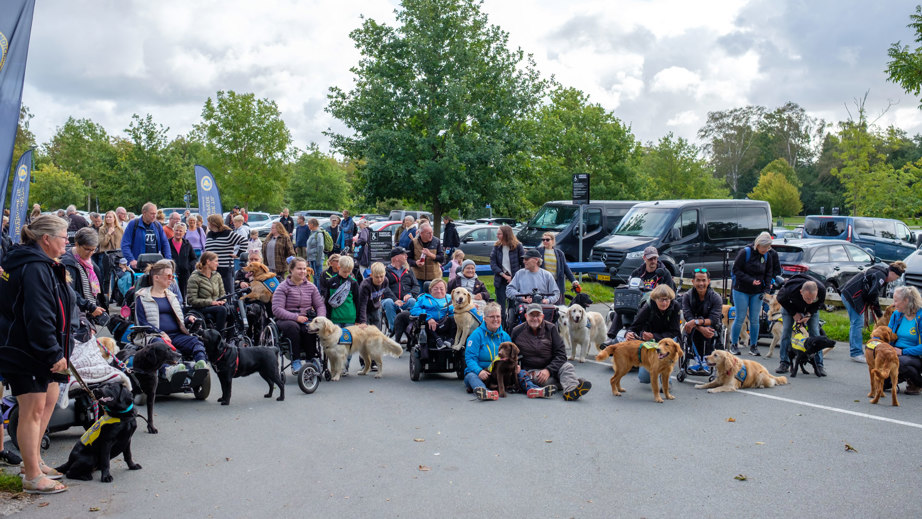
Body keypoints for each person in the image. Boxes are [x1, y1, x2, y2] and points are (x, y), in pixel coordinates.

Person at [0, 215, 73, 494]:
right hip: (26, 350)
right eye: (64, 237)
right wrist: (53, 352)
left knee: (49, 398)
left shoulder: (37, 263)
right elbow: (38, 315)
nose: (67, 242)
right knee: (31, 410)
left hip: (36, 348)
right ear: (46, 239)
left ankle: (34, 461)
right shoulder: (33, 267)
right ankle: (31, 475)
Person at [464, 302, 550, 400]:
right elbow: (470, 358)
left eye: (498, 316)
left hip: (500, 372)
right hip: (482, 372)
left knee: (521, 372)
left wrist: (515, 366)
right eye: (492, 317)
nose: (496, 319)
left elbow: (512, 356)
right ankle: (484, 392)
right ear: (485, 319)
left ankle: (534, 389)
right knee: (471, 376)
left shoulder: (505, 336)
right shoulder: (476, 336)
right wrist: (479, 371)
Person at [136, 260, 207, 368]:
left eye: (172, 276)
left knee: (196, 342)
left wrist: (188, 319)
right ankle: (170, 370)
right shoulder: (142, 297)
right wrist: (161, 333)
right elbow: (142, 322)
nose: (172, 279)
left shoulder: (172, 296)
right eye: (168, 276)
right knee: (161, 347)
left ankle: (201, 365)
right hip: (155, 336)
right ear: (156, 277)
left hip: (177, 335)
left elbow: (179, 317)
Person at [511, 303, 591, 401]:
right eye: (532, 315)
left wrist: (548, 370)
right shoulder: (517, 331)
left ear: (543, 316)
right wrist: (516, 366)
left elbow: (561, 354)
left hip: (553, 366)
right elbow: (512, 354)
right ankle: (573, 383)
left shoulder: (551, 328)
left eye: (538, 315)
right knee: (542, 381)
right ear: (526, 316)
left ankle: (570, 391)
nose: (535, 318)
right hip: (533, 370)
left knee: (568, 366)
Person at [840, 261, 906, 363]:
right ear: (893, 273)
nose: (894, 280)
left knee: (856, 323)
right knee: (857, 323)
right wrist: (879, 314)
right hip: (851, 296)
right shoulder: (881, 276)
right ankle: (856, 353)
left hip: (850, 293)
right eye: (896, 278)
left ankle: (857, 351)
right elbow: (873, 294)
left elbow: (871, 294)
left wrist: (876, 311)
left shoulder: (880, 273)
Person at [272, 257, 326, 373]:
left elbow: (320, 306)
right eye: (299, 269)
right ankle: (295, 360)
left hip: (306, 317)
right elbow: (277, 309)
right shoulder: (282, 287)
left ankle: (310, 359)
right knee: (293, 327)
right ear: (291, 270)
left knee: (310, 328)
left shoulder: (311, 287)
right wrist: (296, 317)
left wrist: (320, 319)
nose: (303, 271)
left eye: (304, 269)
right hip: (286, 318)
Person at [729, 232, 775, 356]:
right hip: (741, 289)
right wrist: (750, 280)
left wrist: (766, 290)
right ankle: (733, 344)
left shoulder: (767, 256)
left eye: (768, 248)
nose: (766, 250)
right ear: (758, 244)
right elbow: (736, 270)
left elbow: (768, 273)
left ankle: (753, 346)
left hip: (757, 291)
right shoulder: (745, 252)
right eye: (764, 248)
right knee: (740, 317)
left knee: (755, 319)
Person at [627, 284, 681, 384]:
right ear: (655, 299)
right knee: (644, 379)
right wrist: (630, 333)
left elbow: (675, 331)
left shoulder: (675, 306)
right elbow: (635, 326)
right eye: (661, 300)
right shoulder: (648, 307)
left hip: (667, 340)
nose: (664, 303)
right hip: (650, 342)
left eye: (667, 300)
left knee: (667, 351)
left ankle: (666, 380)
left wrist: (655, 336)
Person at [774, 273, 826, 375]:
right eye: (807, 298)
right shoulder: (789, 290)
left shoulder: (822, 289)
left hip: (810, 311)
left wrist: (808, 314)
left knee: (815, 332)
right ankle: (784, 362)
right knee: (786, 331)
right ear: (801, 292)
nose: (810, 301)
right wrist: (794, 313)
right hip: (790, 306)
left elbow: (818, 304)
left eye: (813, 298)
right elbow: (780, 298)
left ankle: (819, 364)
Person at [680, 268, 723, 373]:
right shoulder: (687, 296)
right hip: (693, 327)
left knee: (709, 330)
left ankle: (706, 359)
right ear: (693, 281)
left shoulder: (716, 297)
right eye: (698, 280)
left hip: (710, 326)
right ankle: (695, 359)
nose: (701, 283)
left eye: (703, 280)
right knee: (691, 329)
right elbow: (688, 316)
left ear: (708, 281)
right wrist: (699, 328)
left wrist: (697, 323)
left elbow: (714, 319)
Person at [61, 228, 106, 323]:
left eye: (93, 250)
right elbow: (70, 292)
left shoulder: (90, 263)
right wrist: (90, 307)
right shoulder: (68, 263)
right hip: (77, 316)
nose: (90, 253)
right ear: (77, 244)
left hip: (89, 314)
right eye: (87, 249)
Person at [887, 285, 922, 395]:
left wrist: (902, 352)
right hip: (896, 352)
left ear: (906, 301)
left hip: (915, 355)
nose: (894, 304)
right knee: (882, 384)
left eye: (896, 301)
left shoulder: (920, 317)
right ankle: (902, 376)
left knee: (900, 362)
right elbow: (887, 334)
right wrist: (876, 341)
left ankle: (917, 382)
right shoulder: (897, 315)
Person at [186, 251, 229, 334]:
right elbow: (192, 300)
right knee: (222, 310)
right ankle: (219, 336)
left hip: (216, 305)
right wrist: (211, 302)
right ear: (208, 262)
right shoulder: (194, 277)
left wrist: (222, 301)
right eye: (216, 261)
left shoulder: (217, 275)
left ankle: (231, 338)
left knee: (232, 309)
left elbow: (222, 293)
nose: (218, 264)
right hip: (201, 308)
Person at [490, 225, 524, 325]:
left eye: (499, 234)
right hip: (501, 279)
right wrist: (503, 275)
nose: (497, 235)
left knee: (513, 306)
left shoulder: (517, 246)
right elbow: (493, 262)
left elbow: (523, 263)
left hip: (514, 279)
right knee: (501, 307)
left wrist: (513, 277)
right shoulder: (496, 247)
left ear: (506, 234)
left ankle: (512, 326)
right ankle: (502, 326)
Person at [410, 278, 456, 354]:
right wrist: (429, 318)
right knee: (423, 321)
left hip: (447, 324)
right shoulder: (423, 298)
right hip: (430, 326)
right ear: (430, 290)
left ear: (446, 290)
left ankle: (451, 340)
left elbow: (460, 308)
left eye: (441, 289)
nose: (439, 291)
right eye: (435, 289)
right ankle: (438, 341)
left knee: (455, 318)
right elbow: (414, 310)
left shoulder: (451, 298)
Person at [205, 213, 247, 294]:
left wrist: (238, 254)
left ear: (213, 223)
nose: (207, 224)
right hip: (211, 268)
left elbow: (244, 241)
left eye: (208, 222)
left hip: (225, 267)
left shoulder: (227, 233)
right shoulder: (209, 234)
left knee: (226, 292)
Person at [383, 247, 420, 339]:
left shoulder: (408, 270)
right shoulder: (385, 271)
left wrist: (410, 294)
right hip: (391, 301)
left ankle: (410, 328)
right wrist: (395, 300)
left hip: (405, 301)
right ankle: (394, 330)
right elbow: (384, 288)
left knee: (412, 301)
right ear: (396, 258)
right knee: (388, 302)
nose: (406, 256)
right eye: (404, 255)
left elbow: (416, 286)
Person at [121, 202, 171, 268]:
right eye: (152, 213)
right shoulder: (133, 224)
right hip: (138, 264)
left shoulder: (157, 225)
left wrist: (168, 260)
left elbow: (165, 244)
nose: (154, 216)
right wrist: (131, 259)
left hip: (154, 264)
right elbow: (125, 244)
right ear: (144, 213)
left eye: (155, 213)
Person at [536, 232, 578, 305]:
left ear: (552, 241)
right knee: (544, 306)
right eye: (543, 240)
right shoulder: (538, 251)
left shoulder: (559, 253)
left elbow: (565, 267)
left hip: (557, 283)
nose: (545, 241)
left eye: (547, 240)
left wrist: (573, 280)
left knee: (559, 308)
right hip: (543, 284)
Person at [357, 262, 395, 328]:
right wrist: (362, 321)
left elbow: (387, 292)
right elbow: (362, 304)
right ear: (371, 275)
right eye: (376, 277)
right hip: (365, 309)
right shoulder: (365, 285)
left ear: (385, 274)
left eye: (381, 276)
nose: (379, 280)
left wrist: (396, 300)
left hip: (376, 307)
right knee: (367, 331)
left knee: (377, 330)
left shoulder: (385, 281)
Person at [169, 223, 197, 300]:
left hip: (185, 274)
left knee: (183, 295)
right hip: (171, 274)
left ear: (184, 232)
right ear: (173, 231)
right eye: (176, 230)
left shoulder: (187, 244)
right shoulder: (168, 243)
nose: (178, 232)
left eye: (180, 231)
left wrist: (188, 266)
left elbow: (194, 258)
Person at [304, 218, 325, 283]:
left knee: (318, 276)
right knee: (314, 276)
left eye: (309, 224)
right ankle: (315, 291)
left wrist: (318, 260)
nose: (308, 225)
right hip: (311, 258)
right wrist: (308, 258)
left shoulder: (319, 234)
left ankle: (319, 292)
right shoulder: (312, 233)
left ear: (312, 224)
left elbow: (320, 246)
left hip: (316, 258)